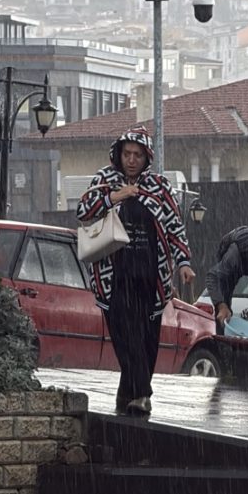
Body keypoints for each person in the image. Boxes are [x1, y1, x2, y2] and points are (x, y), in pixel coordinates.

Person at [76, 127, 195, 416]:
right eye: (127, 154)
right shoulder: (104, 180)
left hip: (150, 277)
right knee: (124, 336)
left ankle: (128, 394)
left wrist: (184, 263)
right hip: (114, 277)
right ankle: (142, 393)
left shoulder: (159, 186)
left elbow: (174, 226)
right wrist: (116, 196)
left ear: (147, 158)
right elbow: (83, 211)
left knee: (147, 339)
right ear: (118, 154)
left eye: (138, 155)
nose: (131, 160)